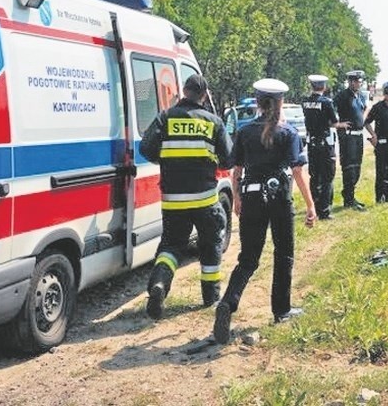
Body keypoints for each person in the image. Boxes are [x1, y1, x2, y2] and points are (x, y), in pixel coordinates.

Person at [213, 78, 316, 344]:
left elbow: (236, 170)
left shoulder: (245, 132)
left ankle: (228, 303)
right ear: (281, 103)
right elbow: (297, 171)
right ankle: (281, 310)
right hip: (279, 198)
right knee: (284, 255)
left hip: (251, 197)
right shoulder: (288, 133)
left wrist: (237, 198)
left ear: (257, 103)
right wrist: (310, 205)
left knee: (248, 258)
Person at [139, 74, 234, 319]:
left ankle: (159, 284)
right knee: (211, 243)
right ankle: (210, 296)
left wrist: (168, 160)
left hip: (173, 199)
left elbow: (146, 148)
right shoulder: (213, 122)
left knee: (171, 245)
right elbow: (228, 158)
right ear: (204, 95)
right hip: (205, 198)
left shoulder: (165, 117)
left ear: (184, 90)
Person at [301, 74, 346, 221]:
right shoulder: (326, 102)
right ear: (324, 86)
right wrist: (343, 125)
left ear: (312, 86)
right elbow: (334, 122)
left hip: (312, 144)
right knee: (327, 178)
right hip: (325, 145)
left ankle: (313, 206)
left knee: (314, 177)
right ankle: (324, 211)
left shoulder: (305, 102)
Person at [333, 70, 368, 211]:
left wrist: (362, 118)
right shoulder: (342, 96)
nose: (358, 84)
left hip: (359, 135)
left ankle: (351, 195)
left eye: (360, 81)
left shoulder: (360, 96)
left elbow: (364, 109)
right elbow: (330, 111)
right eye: (356, 81)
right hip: (348, 136)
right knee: (349, 168)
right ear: (350, 82)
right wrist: (338, 124)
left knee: (357, 167)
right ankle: (348, 199)